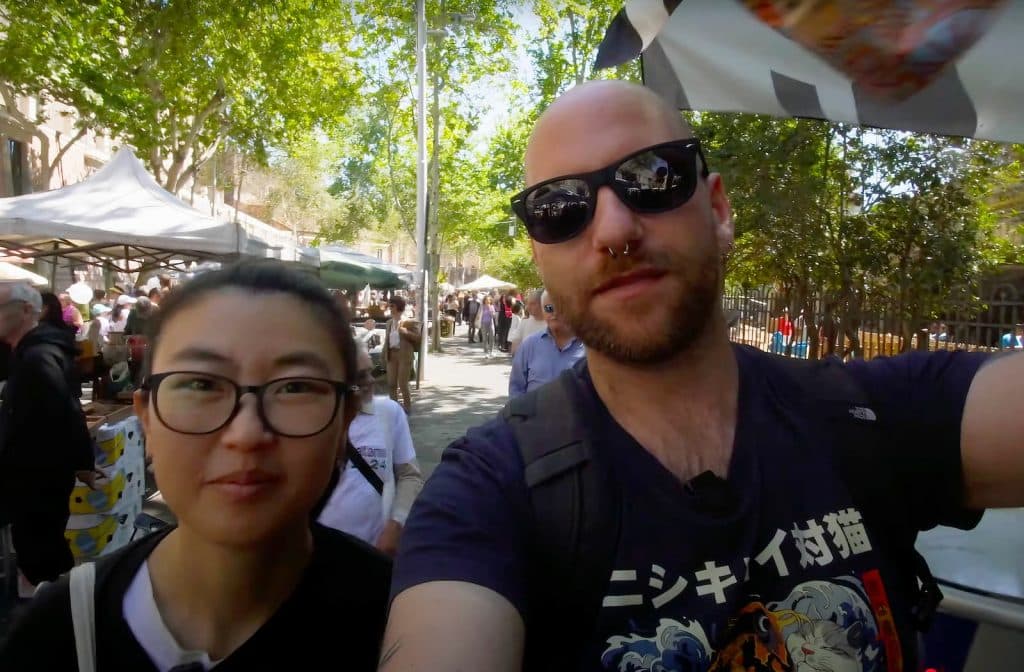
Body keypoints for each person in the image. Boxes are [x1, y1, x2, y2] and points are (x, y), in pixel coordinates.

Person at [380, 81, 1024, 671]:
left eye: (651, 176)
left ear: (717, 209)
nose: (613, 229)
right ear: (539, 256)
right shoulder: (486, 493)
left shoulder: (870, 415)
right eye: (560, 207)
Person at [0, 262, 391, 669]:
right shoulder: (59, 635)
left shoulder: (408, 625)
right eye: (201, 383)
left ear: (346, 420)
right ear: (146, 417)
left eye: (295, 387)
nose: (246, 434)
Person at [0, 283, 99, 592]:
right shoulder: (30, 351)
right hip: (37, 472)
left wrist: (83, 463)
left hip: (37, 475)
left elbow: (68, 410)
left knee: (40, 551)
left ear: (27, 311)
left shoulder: (38, 356)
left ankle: (57, 614)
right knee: (42, 547)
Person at [319, 343, 424, 556]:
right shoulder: (310, 420)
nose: (371, 381)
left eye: (370, 372)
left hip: (376, 551)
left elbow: (410, 476)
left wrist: (396, 525)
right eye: (360, 377)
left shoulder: (389, 413)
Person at [508, 291, 585, 398]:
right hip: (535, 414)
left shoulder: (589, 347)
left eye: (559, 307)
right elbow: (516, 387)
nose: (554, 313)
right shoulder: (530, 345)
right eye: (549, 308)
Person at [384, 296, 416, 413]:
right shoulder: (389, 323)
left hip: (404, 355)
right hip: (391, 355)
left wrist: (406, 332)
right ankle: (394, 409)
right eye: (389, 306)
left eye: (392, 306)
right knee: (391, 384)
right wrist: (384, 356)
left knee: (403, 384)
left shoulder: (408, 321)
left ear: (398, 307)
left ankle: (407, 408)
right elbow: (386, 342)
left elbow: (418, 338)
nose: (390, 308)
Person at [508, 288, 546, 355]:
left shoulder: (552, 324)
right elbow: (515, 346)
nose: (527, 307)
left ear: (543, 303)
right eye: (527, 304)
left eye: (532, 304)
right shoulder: (524, 323)